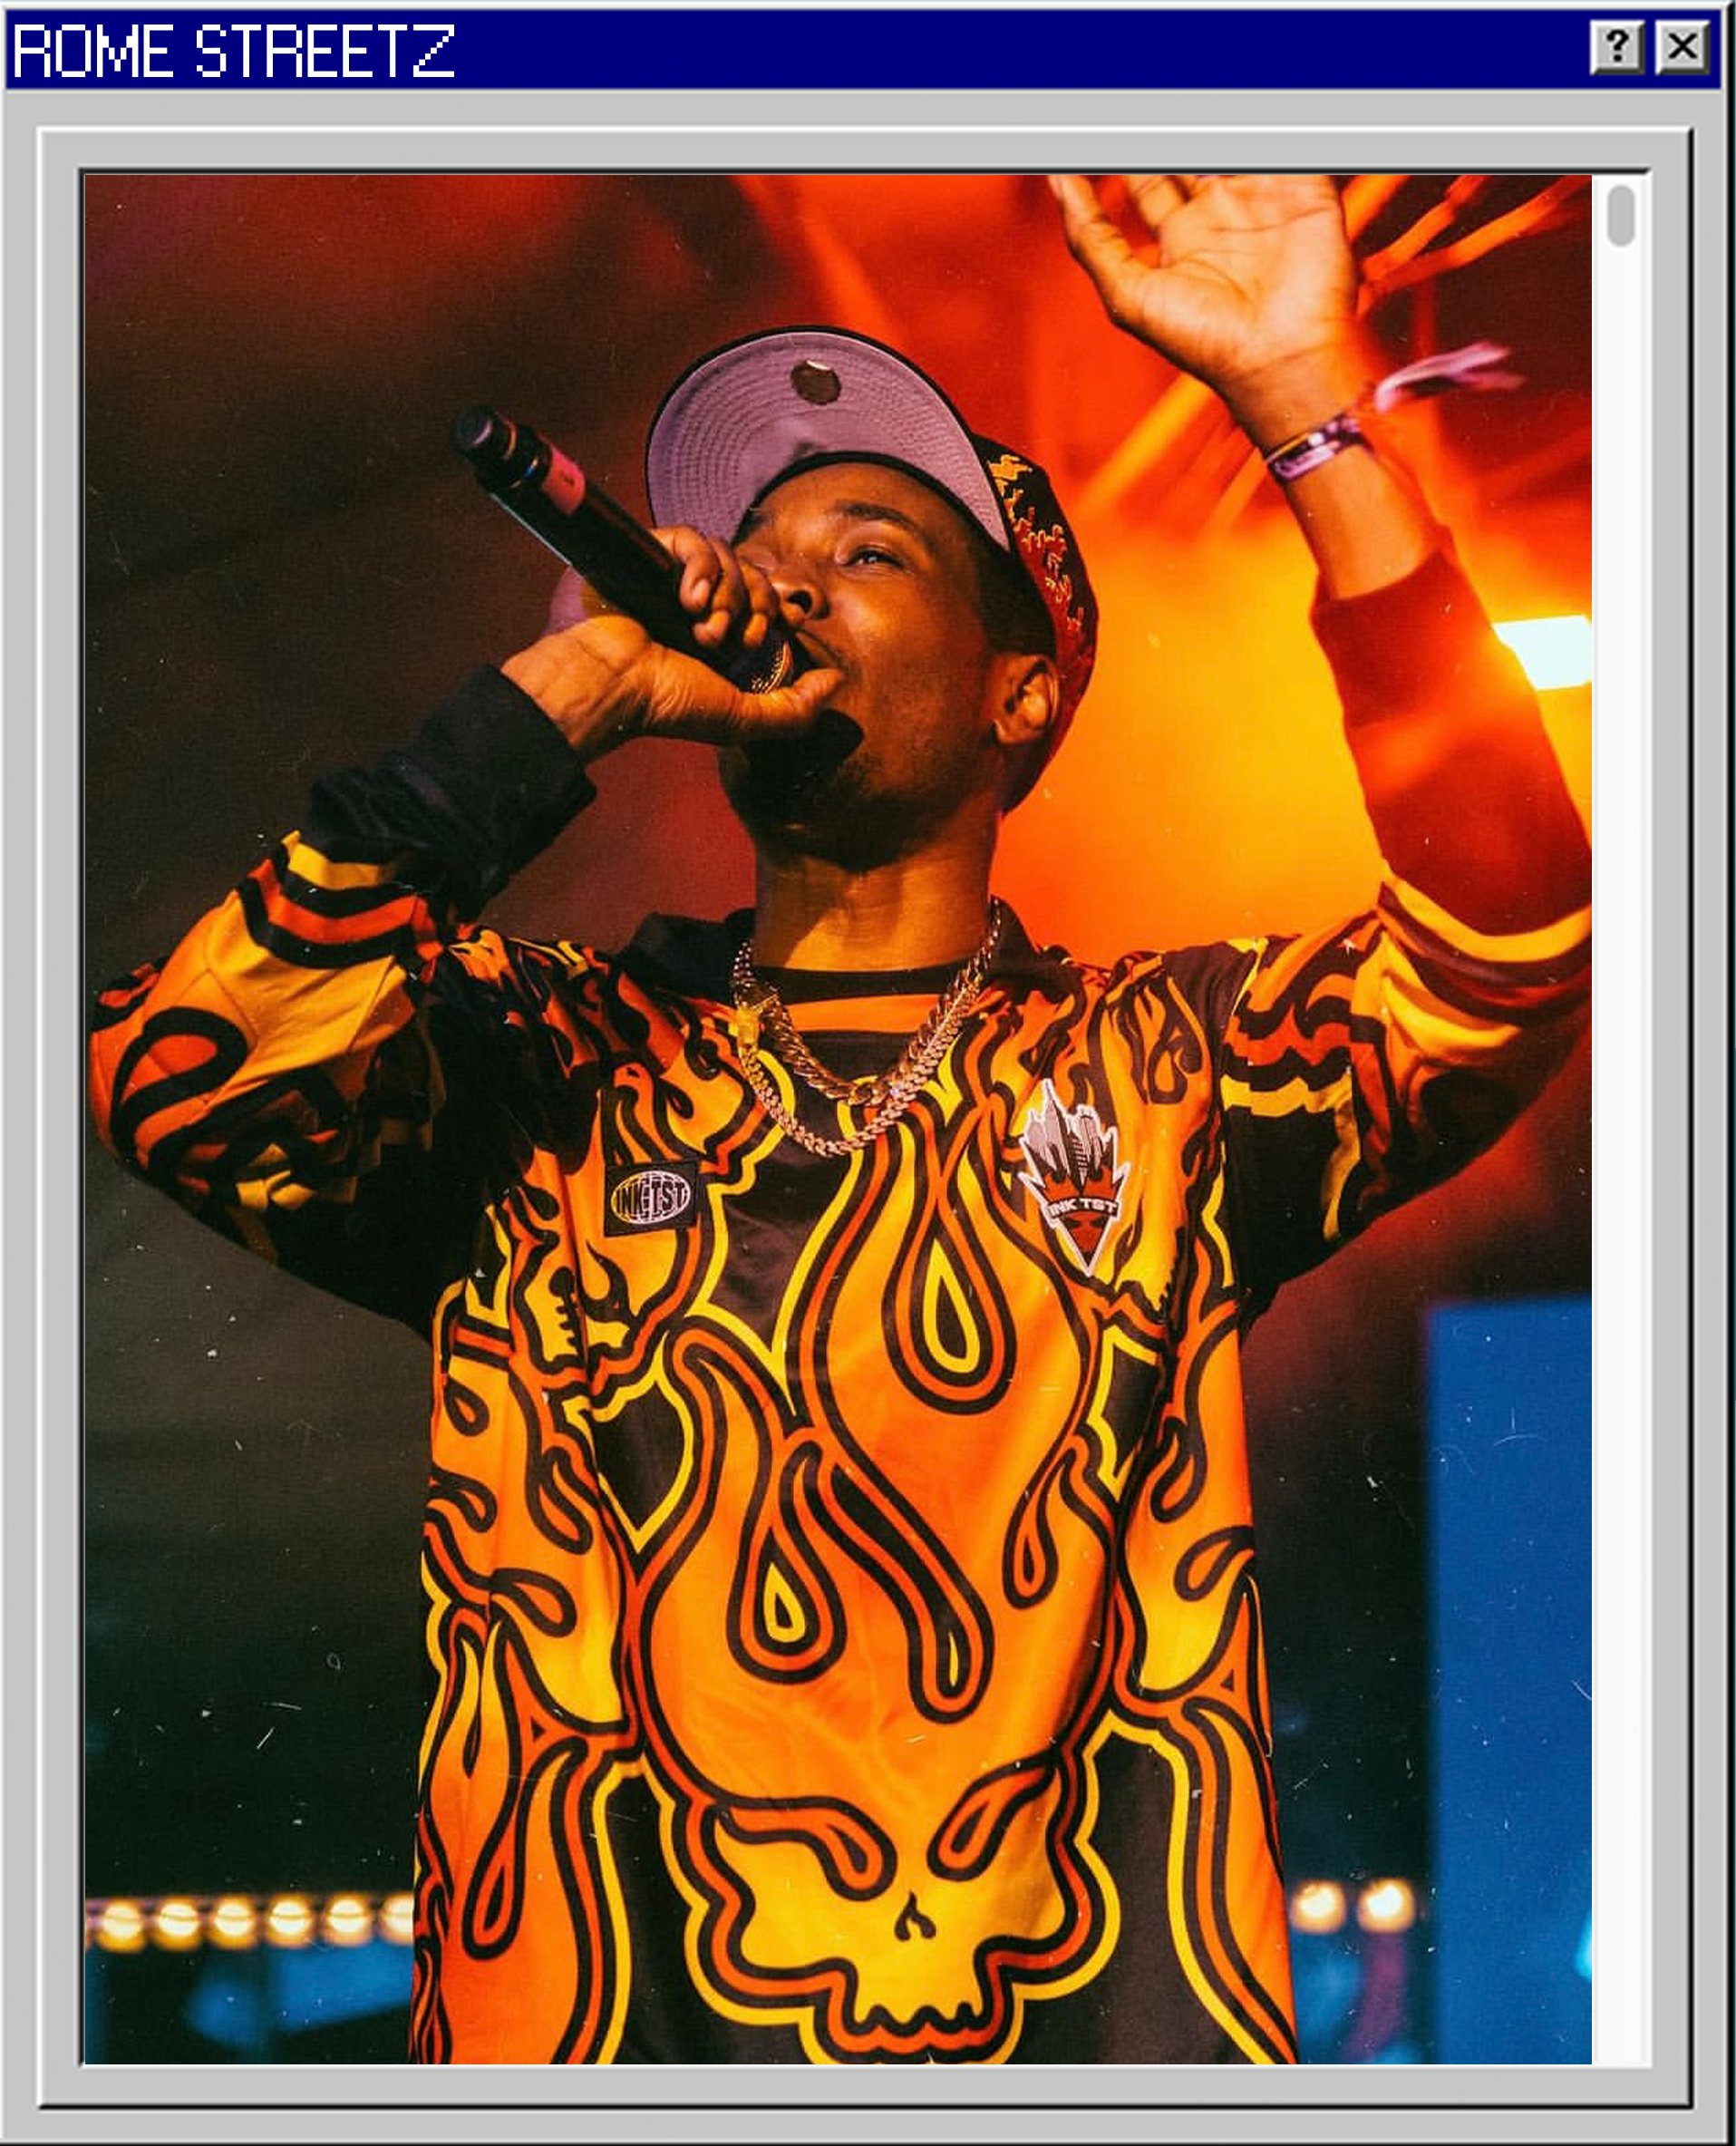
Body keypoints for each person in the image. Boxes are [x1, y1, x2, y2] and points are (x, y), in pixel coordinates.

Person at [89, 173, 1590, 2065]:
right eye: (760, 546)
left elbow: (1510, 944)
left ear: (1017, 689)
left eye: (867, 549)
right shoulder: (539, 1068)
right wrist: (569, 689)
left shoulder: (1174, 1071)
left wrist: (1303, 394)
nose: (780, 581)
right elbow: (184, 1075)